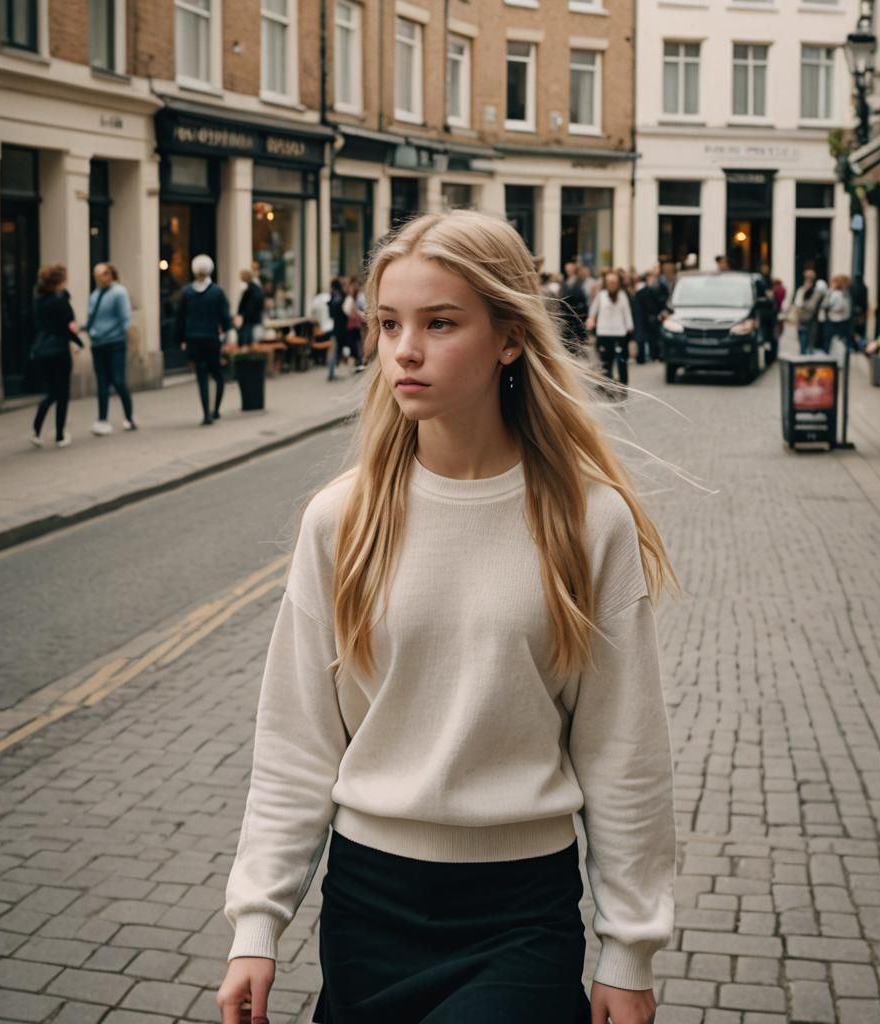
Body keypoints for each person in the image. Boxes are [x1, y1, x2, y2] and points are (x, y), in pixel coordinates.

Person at [216, 209, 676, 1024]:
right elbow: (296, 741)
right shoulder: (340, 519)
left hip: (520, 913)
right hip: (368, 905)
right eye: (389, 324)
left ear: (508, 337)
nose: (406, 350)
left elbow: (623, 749)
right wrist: (258, 922)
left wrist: (628, 948)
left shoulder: (588, 520)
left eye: (439, 323)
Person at [30, 263, 83, 448]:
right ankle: (60, 435)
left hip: (42, 349)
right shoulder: (59, 301)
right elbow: (67, 324)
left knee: (51, 392)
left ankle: (36, 430)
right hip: (59, 349)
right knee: (62, 393)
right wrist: (78, 342)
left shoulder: (39, 300)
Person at [175, 254, 231, 425]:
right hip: (211, 338)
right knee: (217, 374)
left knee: (201, 375)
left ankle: (206, 411)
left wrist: (181, 339)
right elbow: (225, 317)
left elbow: (180, 318)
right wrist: (227, 331)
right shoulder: (217, 292)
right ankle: (216, 409)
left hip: (193, 338)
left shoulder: (187, 292)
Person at [86, 263, 135, 436]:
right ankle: (102, 419)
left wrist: (127, 338)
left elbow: (125, 318)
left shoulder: (119, 292)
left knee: (118, 380)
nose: (100, 278)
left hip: (115, 342)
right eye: (96, 275)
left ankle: (129, 417)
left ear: (111, 274)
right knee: (102, 383)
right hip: (98, 344)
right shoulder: (95, 295)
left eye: (103, 274)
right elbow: (90, 317)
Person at [586, 271, 636, 395]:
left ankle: (623, 386)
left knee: (621, 362)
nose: (611, 284)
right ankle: (607, 386)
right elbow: (593, 311)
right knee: (605, 362)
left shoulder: (622, 295)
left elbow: (627, 312)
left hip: (620, 333)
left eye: (614, 282)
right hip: (604, 333)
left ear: (618, 283)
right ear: (605, 283)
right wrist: (591, 321)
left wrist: (630, 327)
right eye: (609, 282)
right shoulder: (601, 295)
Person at [791, 268, 827, 355]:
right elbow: (797, 304)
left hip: (811, 320)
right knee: (804, 339)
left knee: (808, 340)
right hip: (803, 318)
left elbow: (813, 306)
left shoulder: (817, 293)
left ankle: (806, 358)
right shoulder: (802, 290)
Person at [632, 271, 663, 364]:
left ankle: (653, 355)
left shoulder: (656, 289)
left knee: (653, 338)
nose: (653, 280)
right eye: (651, 278)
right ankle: (643, 357)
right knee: (643, 337)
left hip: (651, 317)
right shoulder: (643, 291)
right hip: (643, 317)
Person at [559, 263, 589, 355]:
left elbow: (582, 298)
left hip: (577, 313)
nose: (568, 270)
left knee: (578, 337)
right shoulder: (565, 282)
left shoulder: (579, 282)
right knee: (568, 338)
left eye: (569, 269)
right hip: (567, 314)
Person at [820, 274, 852, 355]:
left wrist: (828, 294)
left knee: (828, 342)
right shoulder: (845, 294)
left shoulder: (835, 294)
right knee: (841, 342)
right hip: (843, 320)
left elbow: (826, 304)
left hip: (833, 320)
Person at [235, 268, 265, 348]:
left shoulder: (253, 290)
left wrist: (242, 315)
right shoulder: (252, 289)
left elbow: (251, 306)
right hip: (250, 319)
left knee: (247, 341)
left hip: (250, 320)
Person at [342, 278, 366, 372]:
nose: (353, 288)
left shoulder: (360, 297)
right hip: (353, 324)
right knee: (355, 343)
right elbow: (346, 310)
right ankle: (358, 361)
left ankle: (361, 361)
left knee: (360, 343)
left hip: (360, 324)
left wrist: (357, 312)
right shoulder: (349, 298)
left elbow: (364, 309)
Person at [327, 278, 348, 381]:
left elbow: (330, 314)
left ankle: (331, 373)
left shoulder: (333, 299)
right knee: (336, 350)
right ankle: (332, 372)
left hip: (335, 328)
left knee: (333, 350)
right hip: (342, 328)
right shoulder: (342, 297)